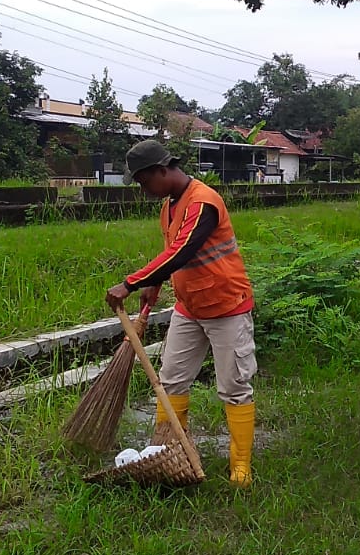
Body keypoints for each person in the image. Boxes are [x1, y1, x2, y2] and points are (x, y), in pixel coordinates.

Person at [105, 139, 257, 487]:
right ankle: (170, 450)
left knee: (234, 386)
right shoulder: (168, 207)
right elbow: (170, 254)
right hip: (189, 308)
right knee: (170, 379)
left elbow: (183, 252)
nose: (144, 190)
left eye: (144, 182)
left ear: (162, 170)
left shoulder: (203, 202)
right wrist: (152, 287)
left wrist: (129, 283)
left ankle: (241, 468)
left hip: (227, 307)